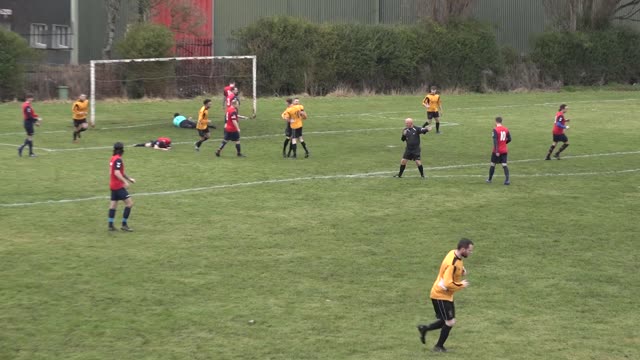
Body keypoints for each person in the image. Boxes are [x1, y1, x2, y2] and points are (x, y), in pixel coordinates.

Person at [417, 238, 474, 352]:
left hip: (446, 295)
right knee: (450, 321)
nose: (470, 253)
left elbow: (455, 266)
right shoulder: (452, 264)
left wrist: (461, 270)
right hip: (440, 295)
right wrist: (461, 285)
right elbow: (448, 283)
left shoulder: (454, 253)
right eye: (469, 250)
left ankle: (425, 329)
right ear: (463, 249)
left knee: (445, 320)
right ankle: (438, 347)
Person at [108, 142, 136, 232]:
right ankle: (124, 225)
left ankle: (110, 225)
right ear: (121, 150)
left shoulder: (113, 158)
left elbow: (114, 172)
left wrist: (129, 178)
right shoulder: (118, 160)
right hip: (118, 186)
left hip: (112, 185)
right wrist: (125, 182)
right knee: (129, 203)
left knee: (113, 205)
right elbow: (117, 172)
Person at [486, 117, 512, 185]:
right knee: (504, 165)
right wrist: (504, 143)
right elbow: (510, 139)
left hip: (497, 150)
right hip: (504, 150)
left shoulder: (495, 129)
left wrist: (497, 151)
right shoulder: (506, 129)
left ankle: (489, 179)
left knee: (492, 164)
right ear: (501, 121)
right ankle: (507, 180)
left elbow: (495, 141)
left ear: (496, 121)